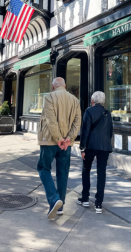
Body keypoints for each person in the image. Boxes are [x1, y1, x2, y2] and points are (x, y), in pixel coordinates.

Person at [37, 77, 81, 219]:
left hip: (49, 141)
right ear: (65, 86)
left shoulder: (49, 97)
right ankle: (60, 207)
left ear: (53, 86)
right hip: (66, 144)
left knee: (44, 168)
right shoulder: (75, 100)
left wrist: (59, 139)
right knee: (63, 173)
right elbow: (77, 121)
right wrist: (69, 138)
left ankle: (54, 199)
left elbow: (50, 121)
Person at [78, 91, 113, 214]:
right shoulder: (107, 114)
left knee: (86, 170)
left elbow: (85, 131)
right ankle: (99, 203)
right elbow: (110, 132)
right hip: (104, 147)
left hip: (91, 146)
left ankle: (85, 198)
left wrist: (82, 147)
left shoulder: (88, 111)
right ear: (103, 101)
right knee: (101, 173)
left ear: (93, 101)